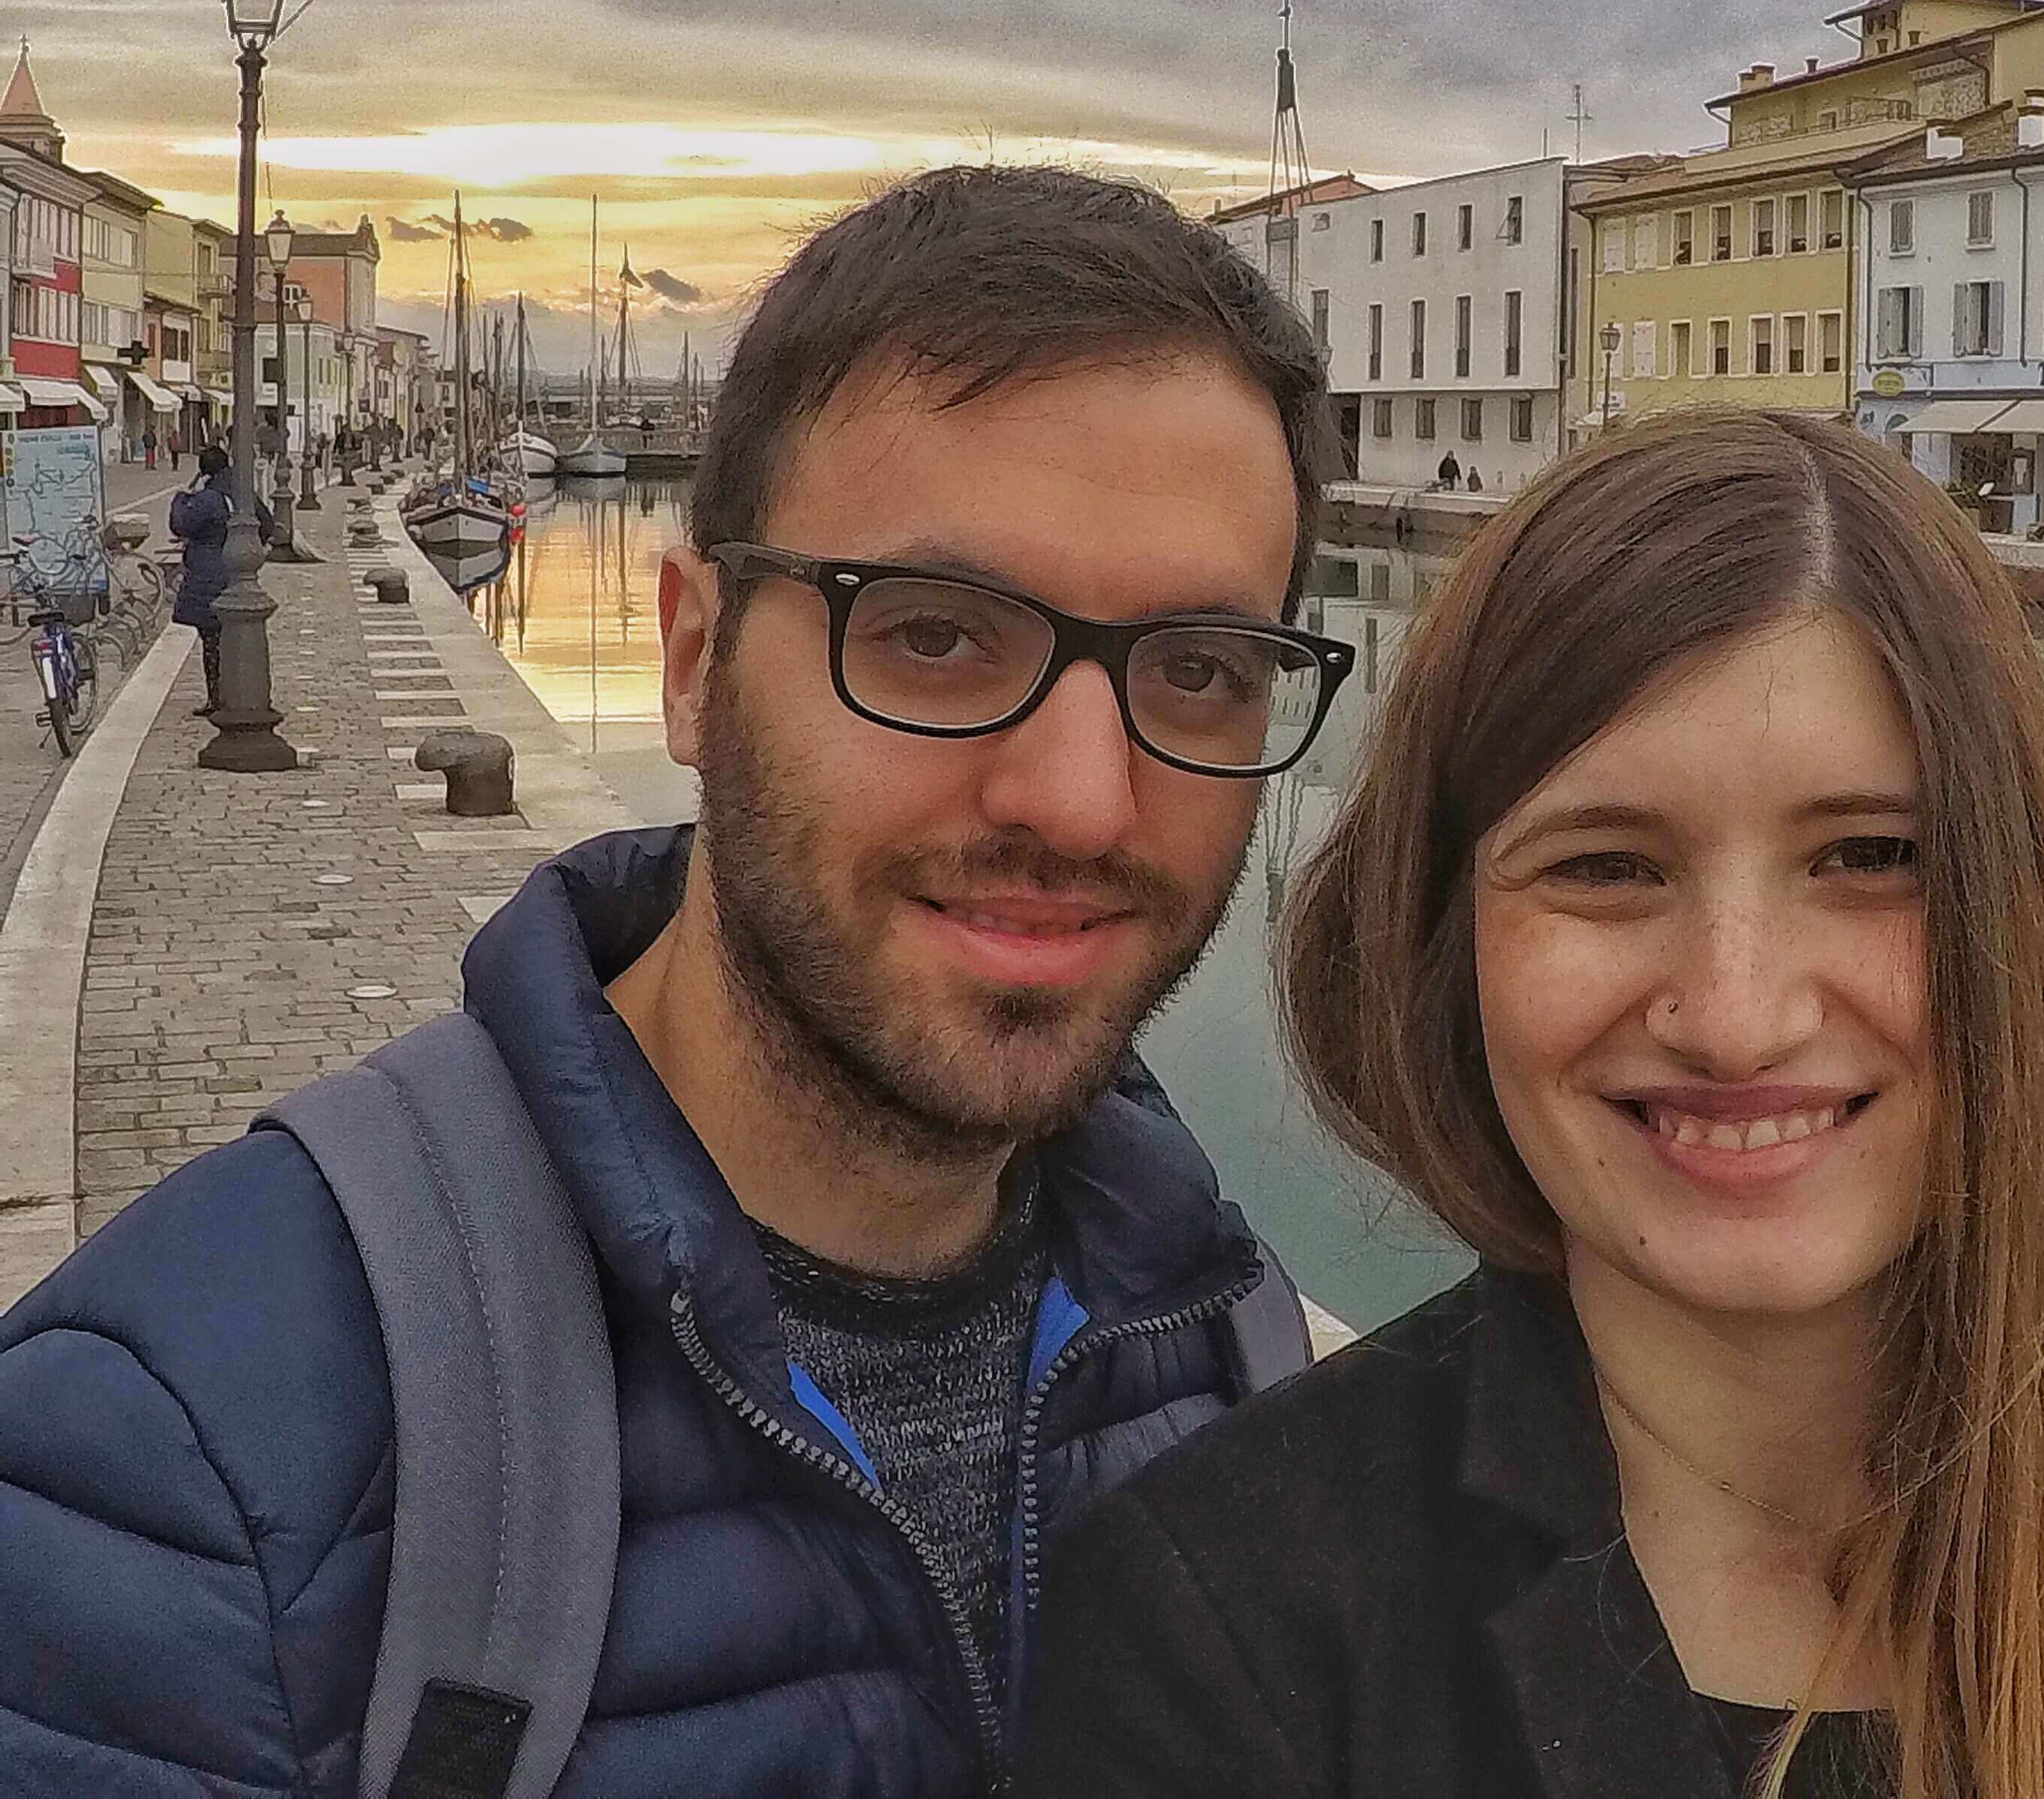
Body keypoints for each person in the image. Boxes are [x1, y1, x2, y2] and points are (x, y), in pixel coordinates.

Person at [0, 167, 1350, 1794]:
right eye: (930, 635)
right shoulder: (187, 1468)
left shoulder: (1227, 1347)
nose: (1077, 796)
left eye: (1198, 672)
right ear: (696, 661)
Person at [1024, 409, 2044, 1799]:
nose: (1740, 1017)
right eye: (1609, 869)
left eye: (1870, 856)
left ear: (2023, 915)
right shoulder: (1223, 1629)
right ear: (1448, 948)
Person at [166, 440, 241, 714]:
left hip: (208, 575)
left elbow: (179, 524)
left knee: (211, 638)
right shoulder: (238, 492)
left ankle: (217, 697)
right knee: (229, 637)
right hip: (237, 573)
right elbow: (267, 525)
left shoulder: (207, 499)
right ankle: (232, 691)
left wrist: (183, 496)